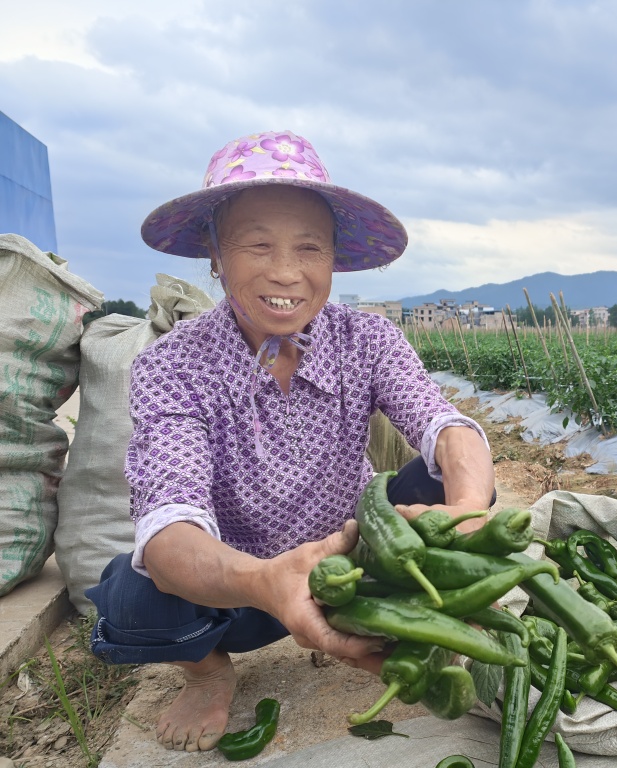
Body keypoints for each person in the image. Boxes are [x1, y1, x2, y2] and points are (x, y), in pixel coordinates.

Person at [85, 130, 495, 753]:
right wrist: (267, 581)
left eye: (310, 248)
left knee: (452, 473)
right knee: (135, 589)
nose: (286, 272)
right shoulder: (172, 366)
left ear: (334, 259)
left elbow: (447, 427)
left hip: (356, 565)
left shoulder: (367, 339)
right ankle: (207, 672)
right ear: (216, 256)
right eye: (257, 245)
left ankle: (394, 619)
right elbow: (169, 524)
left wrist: (465, 512)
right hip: (238, 594)